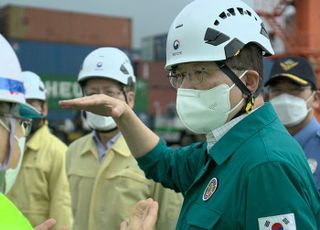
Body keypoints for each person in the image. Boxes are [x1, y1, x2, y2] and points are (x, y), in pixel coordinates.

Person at [60, 0, 320, 229]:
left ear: (249, 82)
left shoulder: (266, 165)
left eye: (200, 73)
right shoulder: (222, 148)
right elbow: (163, 163)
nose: (185, 88)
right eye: (180, 75)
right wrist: (123, 113)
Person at [66, 47, 183, 230]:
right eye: (92, 93)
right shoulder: (72, 151)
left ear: (130, 99)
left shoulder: (153, 156)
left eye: (109, 93)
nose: (100, 100)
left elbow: (170, 220)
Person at [0, 33, 67, 230]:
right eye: (15, 120)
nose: (18, 134)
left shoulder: (57, 151)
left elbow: (61, 204)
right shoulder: (8, 217)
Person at [7, 71, 72, 230]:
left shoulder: (58, 152)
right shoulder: (5, 147)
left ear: (44, 108)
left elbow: (62, 207)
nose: (24, 111)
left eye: (31, 104)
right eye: (19, 105)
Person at [265, 56, 320, 189]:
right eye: (277, 90)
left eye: (295, 90)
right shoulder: (262, 146)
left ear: (316, 98)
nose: (285, 97)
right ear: (268, 97)